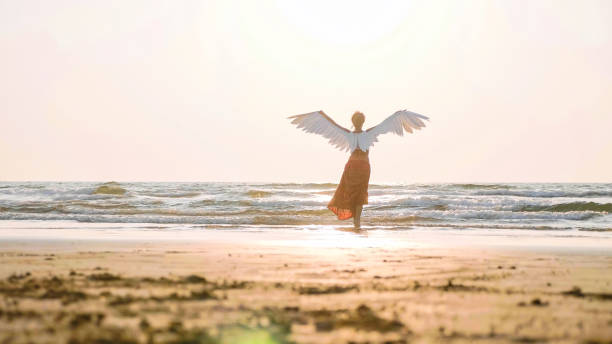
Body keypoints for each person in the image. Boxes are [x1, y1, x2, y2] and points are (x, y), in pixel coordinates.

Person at [288, 109, 429, 229]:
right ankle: (357, 222)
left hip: (351, 166)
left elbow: (323, 117)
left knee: (349, 192)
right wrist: (400, 114)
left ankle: (354, 220)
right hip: (364, 167)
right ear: (363, 122)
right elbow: (395, 117)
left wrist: (318, 115)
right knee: (360, 194)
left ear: (353, 122)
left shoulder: (347, 134)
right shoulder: (369, 133)